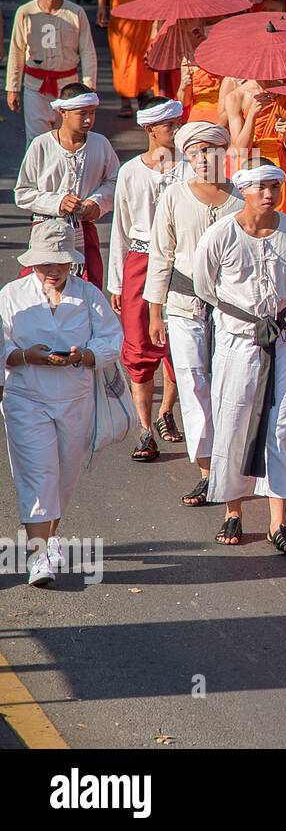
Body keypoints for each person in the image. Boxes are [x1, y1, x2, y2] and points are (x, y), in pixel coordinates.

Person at [1, 221, 123, 588]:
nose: (51, 271)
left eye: (58, 264)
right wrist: (24, 356)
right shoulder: (11, 295)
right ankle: (39, 557)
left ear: (72, 263)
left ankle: (49, 538)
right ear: (32, 264)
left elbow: (112, 340)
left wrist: (84, 356)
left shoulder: (88, 296)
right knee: (39, 474)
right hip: (26, 399)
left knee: (64, 477)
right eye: (43, 265)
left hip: (75, 399)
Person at [193, 165, 286, 554]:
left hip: (280, 338)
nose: (268, 193)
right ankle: (233, 510)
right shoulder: (220, 234)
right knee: (233, 421)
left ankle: (280, 522)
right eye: (260, 186)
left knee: (282, 426)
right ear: (243, 190)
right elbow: (206, 287)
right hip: (236, 341)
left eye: (275, 185)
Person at [147, 122, 244, 509]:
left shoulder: (242, 198)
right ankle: (207, 472)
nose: (205, 158)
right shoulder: (172, 196)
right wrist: (156, 313)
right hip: (184, 307)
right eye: (197, 151)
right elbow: (160, 256)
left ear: (225, 152)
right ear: (186, 155)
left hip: (232, 311)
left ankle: (233, 467)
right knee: (192, 386)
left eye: (213, 150)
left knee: (229, 388)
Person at [107, 97, 186, 464]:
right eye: (169, 124)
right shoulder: (130, 172)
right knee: (139, 348)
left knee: (180, 341)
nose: (176, 129)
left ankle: (166, 409)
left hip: (181, 262)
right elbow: (120, 230)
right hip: (140, 259)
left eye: (178, 122)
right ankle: (144, 428)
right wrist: (117, 283)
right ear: (150, 129)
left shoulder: (192, 168)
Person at [14, 84, 117, 290]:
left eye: (92, 113)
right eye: (82, 114)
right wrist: (58, 202)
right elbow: (22, 193)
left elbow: (115, 183)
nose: (89, 119)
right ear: (63, 112)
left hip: (84, 230)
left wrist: (96, 202)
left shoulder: (100, 144)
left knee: (86, 290)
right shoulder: (41, 145)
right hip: (46, 230)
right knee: (44, 289)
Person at [6, 0, 98, 148]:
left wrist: (88, 85)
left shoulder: (75, 13)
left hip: (68, 86)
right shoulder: (25, 12)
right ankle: (35, 178)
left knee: (68, 140)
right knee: (36, 142)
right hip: (35, 87)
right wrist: (12, 87)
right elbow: (16, 51)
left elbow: (87, 50)